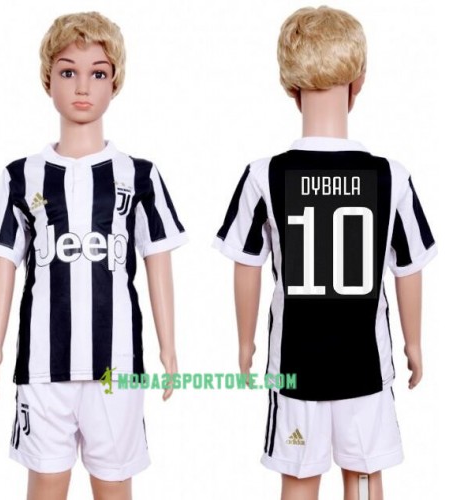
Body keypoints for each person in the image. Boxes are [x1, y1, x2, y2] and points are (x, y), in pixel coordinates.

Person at [213, 6, 436, 500]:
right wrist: (414, 344)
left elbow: (246, 266)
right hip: (365, 367)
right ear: (360, 80)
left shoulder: (264, 175)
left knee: (299, 481)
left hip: (296, 369)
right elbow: (409, 269)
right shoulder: (391, 176)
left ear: (289, 85)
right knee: (364, 477)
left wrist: (245, 344)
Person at [0, 11, 187, 500]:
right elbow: (4, 263)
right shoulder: (20, 176)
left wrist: (169, 348)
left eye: (99, 73)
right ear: (48, 79)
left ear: (116, 82)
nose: (83, 86)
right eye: (69, 71)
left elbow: (158, 262)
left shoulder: (139, 176)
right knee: (46, 486)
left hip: (117, 369)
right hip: (42, 370)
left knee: (113, 487)